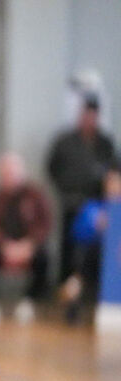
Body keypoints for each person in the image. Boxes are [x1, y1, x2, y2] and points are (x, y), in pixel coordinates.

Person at [0, 152, 52, 326]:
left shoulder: (36, 196)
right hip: (1, 247)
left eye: (12, 173)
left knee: (44, 256)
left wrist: (29, 245)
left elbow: (45, 224)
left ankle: (31, 301)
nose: (9, 177)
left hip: (29, 247)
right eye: (5, 173)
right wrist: (4, 246)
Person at [47, 97, 116, 282]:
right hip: (71, 201)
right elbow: (52, 167)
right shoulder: (65, 141)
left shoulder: (105, 143)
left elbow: (113, 171)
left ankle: (93, 284)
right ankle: (66, 283)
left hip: (98, 203)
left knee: (98, 245)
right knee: (68, 246)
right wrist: (64, 188)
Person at [60, 164, 121, 323]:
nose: (113, 186)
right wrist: (96, 226)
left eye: (117, 182)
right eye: (110, 182)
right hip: (95, 261)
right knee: (89, 254)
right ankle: (74, 299)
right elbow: (77, 234)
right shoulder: (93, 208)